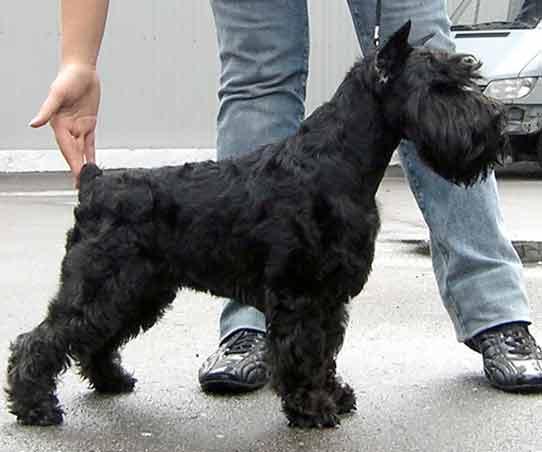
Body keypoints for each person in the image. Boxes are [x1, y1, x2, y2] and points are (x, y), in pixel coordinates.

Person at [31, 0, 542, 394]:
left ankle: (496, 317)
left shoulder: (336, 189)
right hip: (132, 209)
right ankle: (34, 369)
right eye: (446, 95)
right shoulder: (312, 192)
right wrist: (78, 61)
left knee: (309, 292)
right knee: (258, 78)